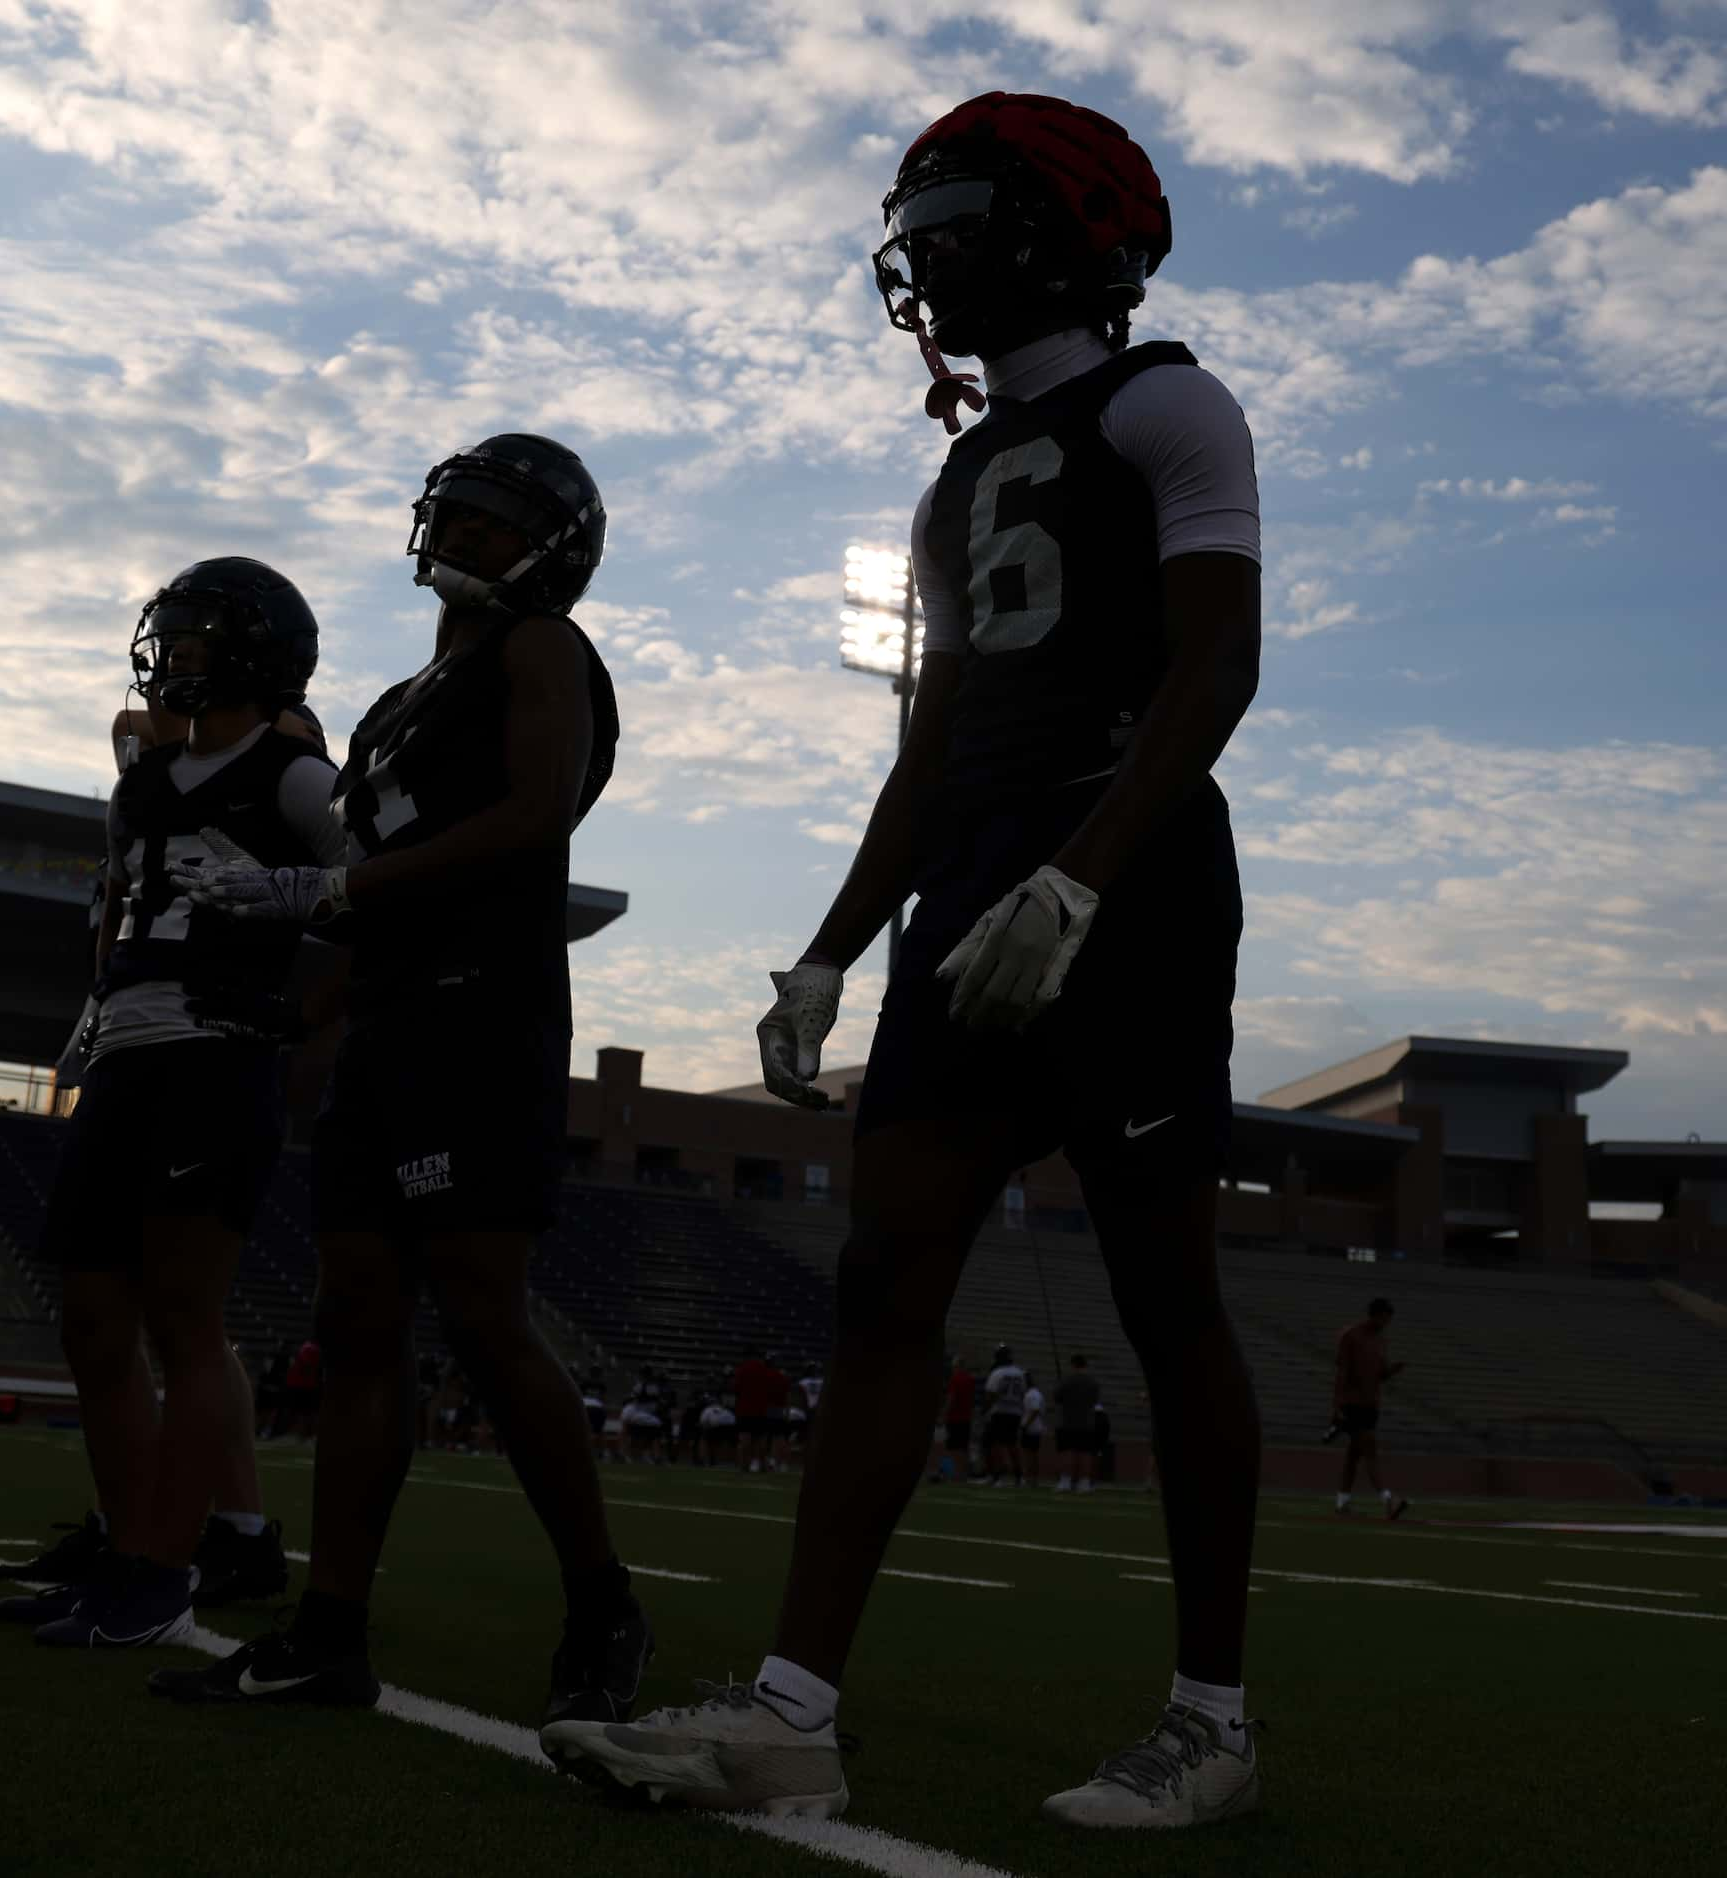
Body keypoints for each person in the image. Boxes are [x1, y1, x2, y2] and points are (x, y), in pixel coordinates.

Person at [546, 93, 1266, 1829]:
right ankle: (792, 1710)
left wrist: (1087, 874)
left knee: (1168, 1303)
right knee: (883, 1284)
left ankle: (1212, 1718)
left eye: (958, 208)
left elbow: (1216, 670)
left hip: (1135, 885)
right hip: (966, 899)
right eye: (918, 215)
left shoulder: (1165, 400)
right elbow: (930, 740)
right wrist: (823, 950)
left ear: (1067, 225)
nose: (927, 251)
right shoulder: (955, 476)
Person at [155, 434, 649, 1729]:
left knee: (484, 1315)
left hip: (482, 1016)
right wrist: (291, 1004)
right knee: (358, 1325)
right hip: (386, 1028)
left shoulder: (537, 649)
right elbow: (376, 904)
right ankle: (330, 1631)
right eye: (461, 516)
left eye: (495, 524)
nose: (470, 538)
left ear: (551, 547)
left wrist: (331, 887)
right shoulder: (390, 707)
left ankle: (603, 1600)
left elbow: (533, 817)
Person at [3, 560, 333, 1650]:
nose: (176, 657)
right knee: (94, 1322)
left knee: (186, 1319)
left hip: (218, 1054)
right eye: (173, 638)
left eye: (198, 641)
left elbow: (383, 886)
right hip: (131, 1051)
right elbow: (119, 902)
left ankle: (160, 1571)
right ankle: (126, 1541)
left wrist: (295, 966)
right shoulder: (143, 783)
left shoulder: (293, 779)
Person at [1331, 1297, 1407, 1521]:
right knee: (1370, 1450)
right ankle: (1388, 1500)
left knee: (1353, 1456)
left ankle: (1342, 1504)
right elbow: (1342, 1372)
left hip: (1372, 1404)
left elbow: (1380, 1375)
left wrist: (1392, 1371)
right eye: (1384, 1318)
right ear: (1374, 1315)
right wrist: (1336, 1405)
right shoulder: (1351, 1336)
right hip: (1352, 1403)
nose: (1386, 1323)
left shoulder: (1382, 1341)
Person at [977, 1342, 1029, 1487]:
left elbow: (991, 1395)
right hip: (1015, 1412)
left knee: (996, 1444)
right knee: (1012, 1445)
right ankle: (1019, 1477)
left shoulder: (998, 1373)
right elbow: (1023, 1393)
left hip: (1000, 1411)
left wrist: (984, 1409)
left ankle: (997, 1477)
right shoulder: (1020, 1373)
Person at [732, 1348, 790, 1474]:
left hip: (745, 1409)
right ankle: (762, 1465)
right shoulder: (770, 1372)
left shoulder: (743, 1369)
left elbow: (736, 1389)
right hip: (763, 1410)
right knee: (761, 1440)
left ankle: (743, 1467)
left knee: (744, 1439)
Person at [1054, 1354, 1102, 1492]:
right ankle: (1084, 1482)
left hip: (1068, 1421)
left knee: (1067, 1451)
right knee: (1085, 1453)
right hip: (1087, 1422)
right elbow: (1095, 1400)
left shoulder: (1067, 1380)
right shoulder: (1093, 1382)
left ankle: (1065, 1481)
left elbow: (1057, 1397)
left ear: (1073, 1364)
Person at [932, 1356, 976, 1484]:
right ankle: (963, 1475)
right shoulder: (970, 1379)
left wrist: (942, 1415)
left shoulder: (955, 1379)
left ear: (956, 1366)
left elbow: (951, 1399)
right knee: (963, 1448)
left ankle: (951, 1474)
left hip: (955, 1417)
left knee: (951, 1448)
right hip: (966, 1417)